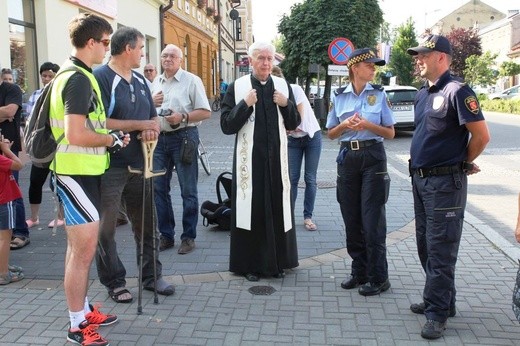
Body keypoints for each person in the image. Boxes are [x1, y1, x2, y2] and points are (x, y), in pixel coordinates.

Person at [49, 13, 127, 346]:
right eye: (107, 42)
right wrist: (111, 140)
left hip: (84, 173)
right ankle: (76, 326)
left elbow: (87, 125)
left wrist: (110, 132)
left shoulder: (80, 74)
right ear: (91, 42)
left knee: (77, 251)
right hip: (74, 174)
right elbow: (76, 133)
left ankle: (81, 313)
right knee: (82, 253)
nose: (109, 49)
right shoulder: (78, 78)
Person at [406, 34, 490, 339]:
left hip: (445, 182)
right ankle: (443, 300)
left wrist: (463, 161)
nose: (418, 59)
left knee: (441, 249)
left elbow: (481, 136)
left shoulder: (458, 91)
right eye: (417, 55)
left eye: (423, 55)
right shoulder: (422, 94)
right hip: (421, 180)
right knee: (425, 245)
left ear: (441, 56)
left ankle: (437, 314)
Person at [94, 26, 174, 304]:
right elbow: (99, 121)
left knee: (147, 225)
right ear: (128, 48)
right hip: (110, 167)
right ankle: (114, 282)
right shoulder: (100, 77)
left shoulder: (141, 81)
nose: (143, 53)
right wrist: (142, 125)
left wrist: (152, 130)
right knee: (105, 229)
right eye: (141, 48)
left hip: (142, 164)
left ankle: (152, 277)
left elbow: (152, 120)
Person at [220, 42, 300, 281]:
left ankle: (278, 262)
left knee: (277, 207)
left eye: (269, 59)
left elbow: (294, 123)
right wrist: (245, 104)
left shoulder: (283, 86)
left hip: (277, 161)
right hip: (250, 163)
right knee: (251, 210)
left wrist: (286, 105)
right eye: (261, 58)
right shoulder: (238, 87)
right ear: (250, 60)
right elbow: (226, 125)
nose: (266, 63)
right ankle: (250, 266)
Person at [326, 48, 395, 297]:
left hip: (373, 157)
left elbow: (390, 133)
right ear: (355, 67)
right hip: (347, 157)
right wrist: (345, 125)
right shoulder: (339, 96)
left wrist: (367, 125)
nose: (374, 68)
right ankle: (359, 272)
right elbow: (330, 133)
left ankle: (379, 277)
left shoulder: (379, 93)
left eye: (375, 65)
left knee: (372, 219)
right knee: (351, 218)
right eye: (369, 64)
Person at [151, 44, 211, 254]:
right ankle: (166, 235)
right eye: (164, 55)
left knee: (188, 190)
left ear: (180, 60)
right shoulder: (155, 82)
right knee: (159, 188)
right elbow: (146, 111)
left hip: (184, 137)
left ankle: (188, 237)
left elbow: (205, 112)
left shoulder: (191, 80)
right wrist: (151, 102)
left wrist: (182, 117)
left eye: (172, 56)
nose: (167, 58)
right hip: (159, 139)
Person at [271, 66, 322, 231]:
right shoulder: (271, 97)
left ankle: (308, 217)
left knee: (310, 178)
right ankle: (289, 217)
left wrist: (285, 128)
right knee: (291, 178)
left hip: (311, 137)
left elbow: (298, 117)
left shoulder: (295, 89)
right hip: (293, 140)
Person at [25, 62, 65, 229]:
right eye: (44, 75)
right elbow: (29, 120)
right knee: (35, 181)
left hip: (58, 145)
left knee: (58, 183)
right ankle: (34, 218)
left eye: (50, 75)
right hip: (41, 146)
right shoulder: (35, 95)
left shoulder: (61, 95)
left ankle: (61, 217)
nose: (47, 79)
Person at [0, 64, 29, 250]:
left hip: (7, 148)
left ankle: (20, 232)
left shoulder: (11, 89)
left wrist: (7, 114)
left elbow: (10, 111)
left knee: (12, 192)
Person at [0, 135, 24, 285]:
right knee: (5, 238)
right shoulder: (2, 159)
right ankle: (3, 273)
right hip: (4, 200)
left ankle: (3, 265)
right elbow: (18, 165)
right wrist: (7, 150)